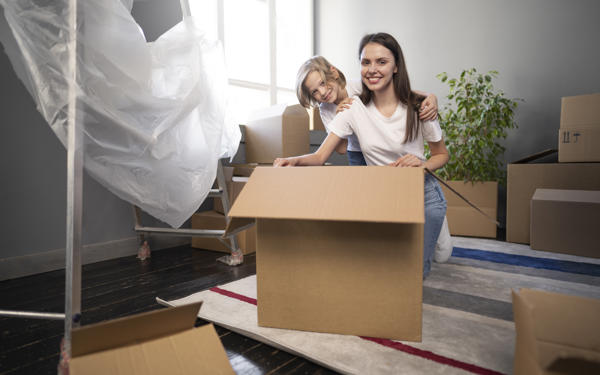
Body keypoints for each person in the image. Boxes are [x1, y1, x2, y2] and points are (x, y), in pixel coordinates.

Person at [276, 33, 449, 278]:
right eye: (366, 63)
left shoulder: (407, 103)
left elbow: (439, 149)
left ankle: (437, 227)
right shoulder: (343, 110)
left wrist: (431, 99)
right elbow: (325, 154)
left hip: (421, 186)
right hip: (368, 162)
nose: (372, 70)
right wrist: (292, 160)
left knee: (436, 256)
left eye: (381, 62)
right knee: (389, 266)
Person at [295, 55, 438, 166]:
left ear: (334, 72)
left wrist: (430, 97)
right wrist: (341, 118)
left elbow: (400, 93)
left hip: (377, 146)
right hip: (356, 153)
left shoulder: (359, 87)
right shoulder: (325, 110)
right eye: (315, 92)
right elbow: (341, 149)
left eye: (323, 83)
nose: (323, 92)